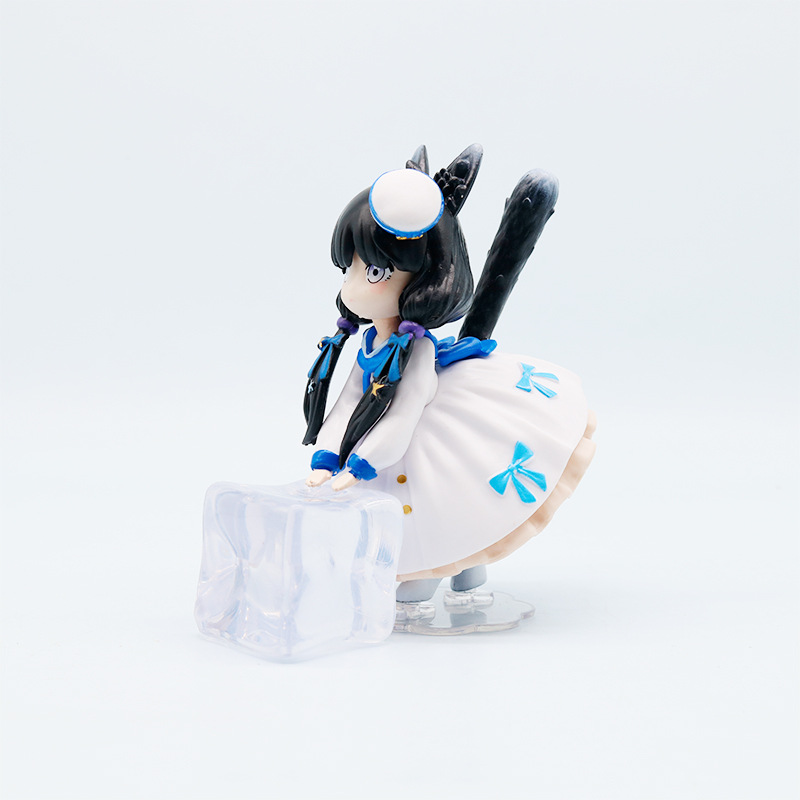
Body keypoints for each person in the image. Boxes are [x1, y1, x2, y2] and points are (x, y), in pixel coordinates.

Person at [302, 144, 596, 602]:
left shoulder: (416, 350)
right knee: (434, 510)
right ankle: (459, 571)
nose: (352, 288)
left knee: (442, 506)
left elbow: (402, 417)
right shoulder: (370, 343)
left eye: (375, 271)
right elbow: (347, 404)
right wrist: (326, 455)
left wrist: (360, 463)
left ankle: (439, 575)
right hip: (384, 445)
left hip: (416, 440)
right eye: (350, 269)